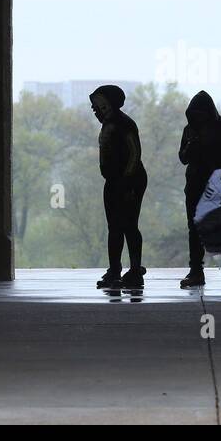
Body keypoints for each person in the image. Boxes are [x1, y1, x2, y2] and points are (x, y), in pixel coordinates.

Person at [178, 91, 221, 289]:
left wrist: (212, 149)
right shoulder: (189, 131)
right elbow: (183, 157)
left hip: (218, 185)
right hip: (195, 185)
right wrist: (192, 145)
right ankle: (196, 271)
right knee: (195, 228)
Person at [90, 85, 148, 289]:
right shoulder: (111, 123)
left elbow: (134, 154)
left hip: (128, 181)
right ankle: (115, 269)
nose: (96, 110)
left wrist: (127, 183)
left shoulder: (123, 124)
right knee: (115, 227)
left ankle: (133, 271)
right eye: (94, 107)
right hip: (115, 181)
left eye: (99, 106)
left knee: (129, 226)